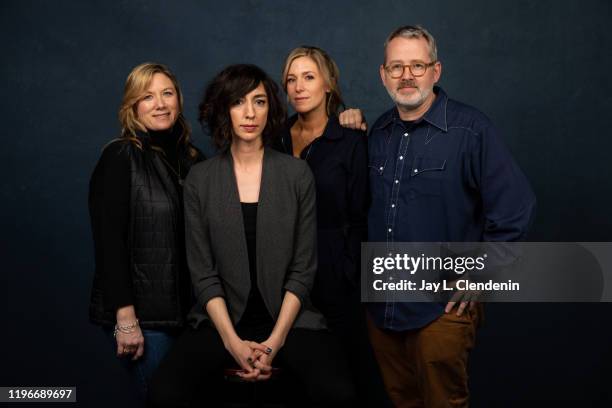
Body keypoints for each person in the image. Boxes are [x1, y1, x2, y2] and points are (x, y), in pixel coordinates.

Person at [148, 64, 355, 407]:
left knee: (339, 393)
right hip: (221, 321)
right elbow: (202, 273)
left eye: (259, 102)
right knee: (164, 394)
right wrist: (232, 342)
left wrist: (273, 343)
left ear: (270, 109)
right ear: (222, 110)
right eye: (238, 102)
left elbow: (303, 269)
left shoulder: (296, 173)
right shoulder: (201, 178)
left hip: (289, 317)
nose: (249, 113)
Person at [364, 25, 536, 407]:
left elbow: (516, 207)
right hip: (383, 309)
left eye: (417, 66)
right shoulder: (378, 132)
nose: (406, 76)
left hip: (441, 309)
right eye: (396, 67)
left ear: (436, 71)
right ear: (383, 74)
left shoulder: (470, 129)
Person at [275, 46, 388, 406]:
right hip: (280, 274)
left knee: (348, 373)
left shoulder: (350, 139)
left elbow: (361, 215)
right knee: (292, 375)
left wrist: (350, 272)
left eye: (308, 77)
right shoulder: (272, 138)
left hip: (336, 274)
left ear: (328, 84)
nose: (298, 87)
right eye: (291, 79)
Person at [88, 62, 203, 400]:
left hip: (187, 314)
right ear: (133, 106)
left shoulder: (191, 159)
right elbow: (109, 242)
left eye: (167, 93)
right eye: (148, 96)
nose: (160, 104)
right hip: (145, 320)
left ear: (179, 100)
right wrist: (126, 320)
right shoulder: (122, 156)